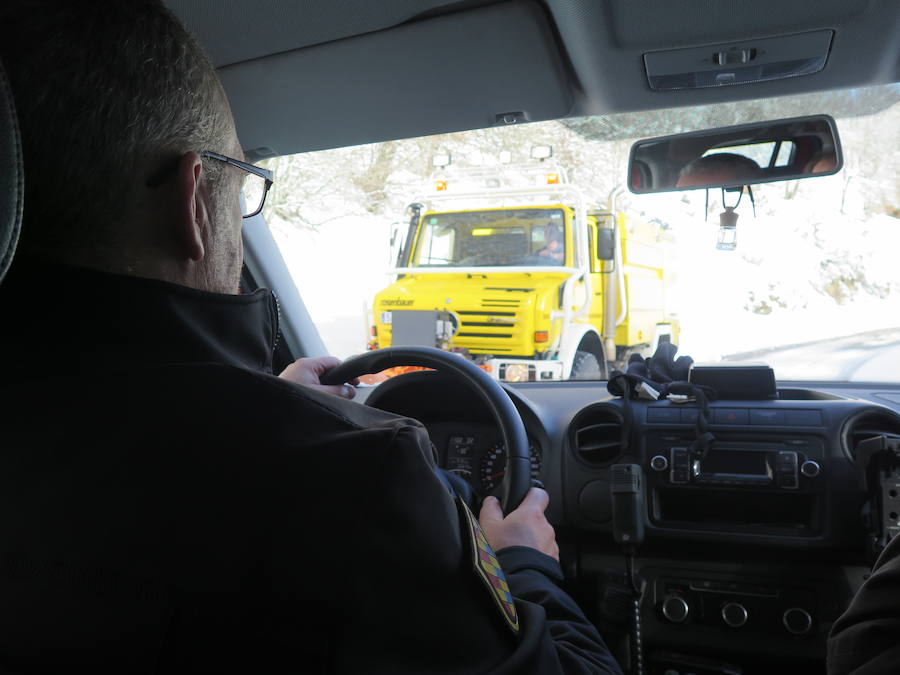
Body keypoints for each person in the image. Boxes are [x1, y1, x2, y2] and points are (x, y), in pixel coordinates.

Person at [0, 1, 621, 673]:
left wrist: (265, 398)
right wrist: (525, 563)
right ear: (194, 202)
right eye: (242, 191)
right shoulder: (351, 479)